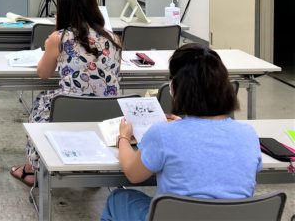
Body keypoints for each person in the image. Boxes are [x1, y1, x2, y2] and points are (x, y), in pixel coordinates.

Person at [101, 43, 261, 221]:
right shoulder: (248, 134)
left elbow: (133, 173)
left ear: (176, 88)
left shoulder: (163, 133)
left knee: (118, 199)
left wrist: (123, 136)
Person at [10, 0, 122, 186]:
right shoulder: (114, 39)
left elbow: (43, 74)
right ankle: (91, 167)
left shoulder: (59, 38)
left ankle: (30, 169)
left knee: (42, 103)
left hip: (69, 108)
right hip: (108, 111)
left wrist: (48, 47)